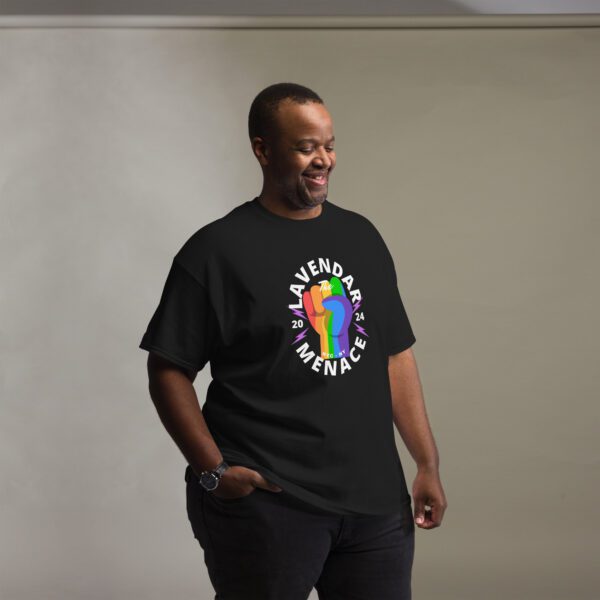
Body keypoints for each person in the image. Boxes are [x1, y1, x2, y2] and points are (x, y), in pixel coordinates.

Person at [139, 82, 447, 600]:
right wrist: (214, 472)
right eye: (306, 147)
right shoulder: (216, 251)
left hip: (374, 506)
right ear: (263, 149)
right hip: (269, 504)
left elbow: (394, 355)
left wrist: (427, 463)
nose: (322, 159)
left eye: (328, 145)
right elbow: (168, 369)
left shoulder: (362, 238)